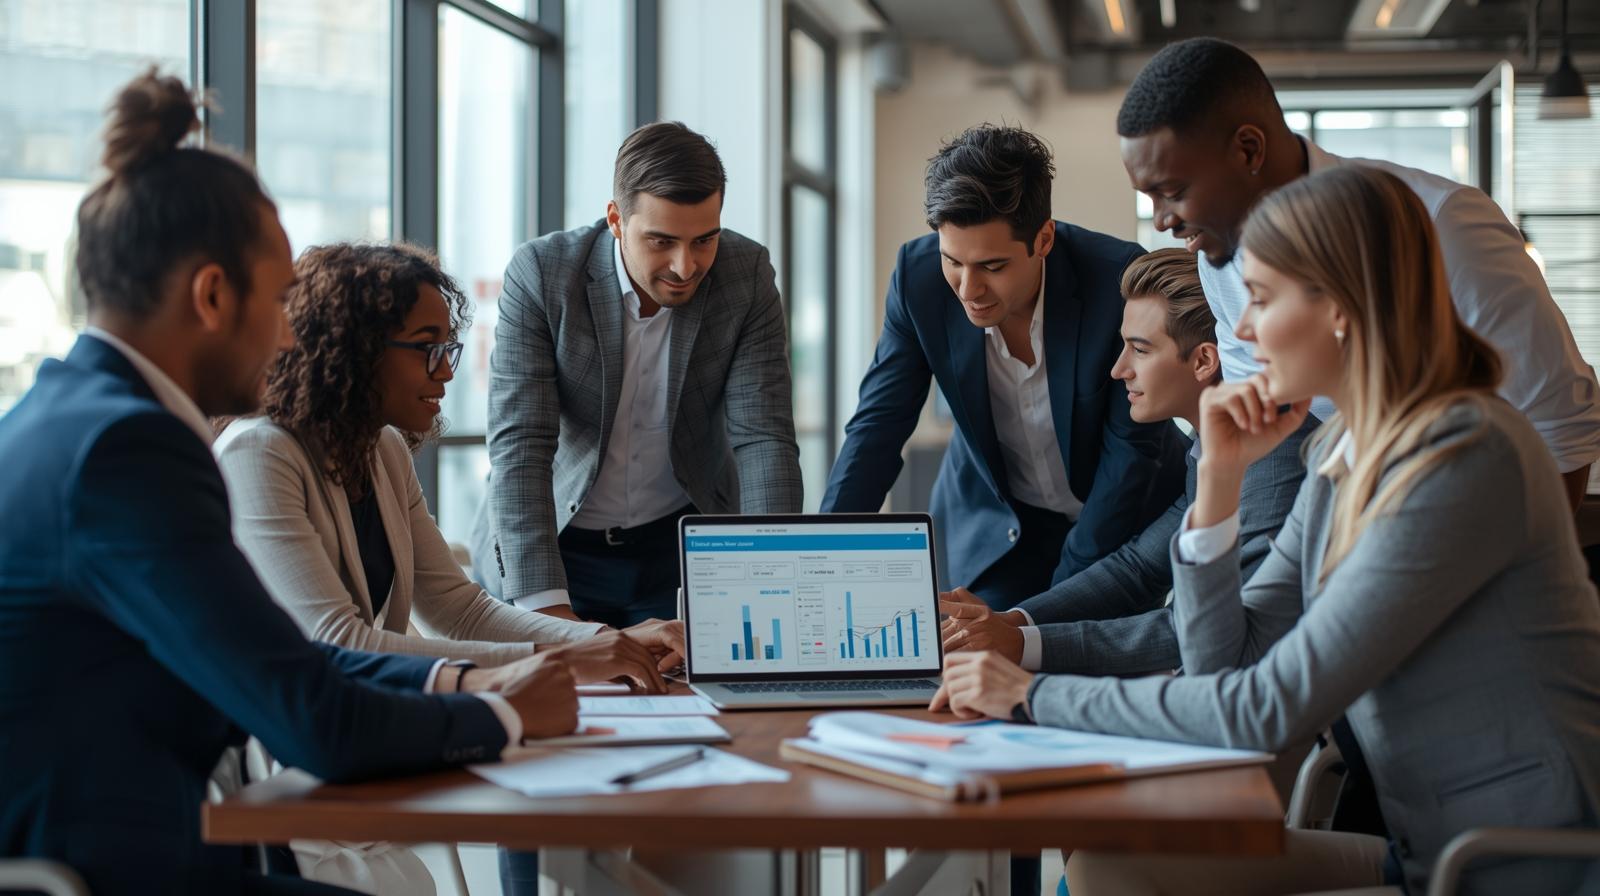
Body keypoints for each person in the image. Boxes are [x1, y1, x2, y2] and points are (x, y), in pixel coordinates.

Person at [934, 165, 1600, 895]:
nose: (1242, 330)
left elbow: (1263, 708)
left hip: (1515, 867)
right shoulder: (1340, 452)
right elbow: (1225, 664)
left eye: (1258, 299)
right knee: (1106, 863)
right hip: (1426, 853)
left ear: (1341, 304)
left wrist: (1028, 691)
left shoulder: (1462, 456)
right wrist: (1218, 484)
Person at [0, 71, 580, 896]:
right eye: (275, 303)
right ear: (210, 295)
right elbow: (313, 718)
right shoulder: (128, 452)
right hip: (100, 874)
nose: (286, 336)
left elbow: (288, 660)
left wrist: (461, 679)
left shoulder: (76, 420)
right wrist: (506, 713)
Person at [1119, 37, 1600, 512]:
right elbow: (1271, 443)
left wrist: (1509, 572)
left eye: (1172, 191)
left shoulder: (1442, 225)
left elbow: (1559, 431)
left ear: (1247, 150)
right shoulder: (1216, 255)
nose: (1162, 220)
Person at [215, 242, 683, 677]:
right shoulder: (260, 454)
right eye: (426, 348)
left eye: (448, 348)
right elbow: (340, 644)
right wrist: (567, 657)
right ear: (354, 350)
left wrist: (606, 640)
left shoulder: (383, 449)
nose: (444, 371)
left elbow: (460, 610)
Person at [821, 125, 1188, 614]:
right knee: (973, 659)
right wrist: (820, 557)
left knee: (1078, 656)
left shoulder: (1115, 280)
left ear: (1044, 238)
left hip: (1120, 519)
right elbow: (878, 427)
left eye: (992, 267)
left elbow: (1131, 453)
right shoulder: (918, 277)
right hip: (999, 530)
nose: (968, 289)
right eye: (953, 261)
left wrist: (1049, 613)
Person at [471, 121, 802, 628]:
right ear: (616, 220)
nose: (685, 266)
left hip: (677, 550)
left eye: (704, 240)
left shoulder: (746, 273)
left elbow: (763, 439)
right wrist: (551, 616)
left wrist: (767, 580)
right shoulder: (543, 274)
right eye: (661, 241)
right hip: (557, 543)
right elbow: (521, 445)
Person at [939, 248, 1312, 677]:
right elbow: (1135, 570)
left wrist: (1023, 644)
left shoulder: (1274, 460)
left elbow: (1211, 630)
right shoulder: (1206, 450)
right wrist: (1012, 621)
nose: (1119, 370)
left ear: (1204, 360)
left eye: (1140, 349)